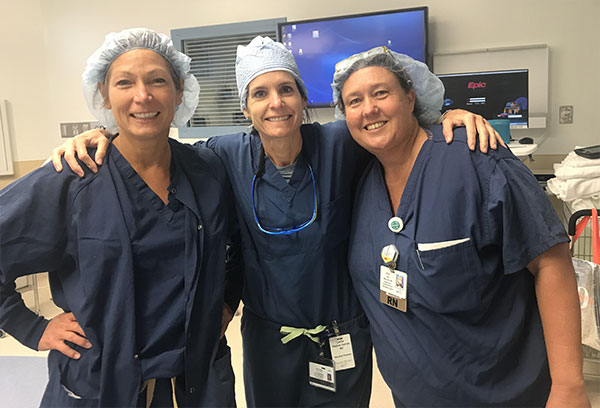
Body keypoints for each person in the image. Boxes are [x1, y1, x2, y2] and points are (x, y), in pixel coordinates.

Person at [51, 36, 502, 407]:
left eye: (286, 90)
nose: (276, 103)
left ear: (304, 99)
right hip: (270, 338)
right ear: (245, 108)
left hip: (341, 333)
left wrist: (447, 116)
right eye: (260, 93)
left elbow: (390, 122)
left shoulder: (340, 143)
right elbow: (153, 145)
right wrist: (104, 135)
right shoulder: (223, 156)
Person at [331, 46, 590, 407]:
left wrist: (568, 385)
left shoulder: (476, 156)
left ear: (410, 97)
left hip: (503, 394)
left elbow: (550, 261)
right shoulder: (359, 177)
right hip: (413, 396)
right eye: (354, 101)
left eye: (381, 93)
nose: (369, 109)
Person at [0, 28, 239, 407]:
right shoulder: (73, 174)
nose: (142, 95)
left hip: (195, 381)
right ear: (104, 96)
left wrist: (227, 300)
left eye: (157, 81)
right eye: (125, 82)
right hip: (100, 383)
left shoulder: (206, 169)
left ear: (179, 92)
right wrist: (32, 328)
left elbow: (236, 243)